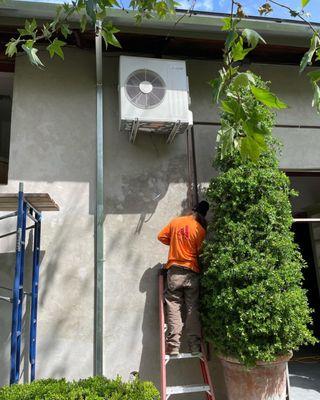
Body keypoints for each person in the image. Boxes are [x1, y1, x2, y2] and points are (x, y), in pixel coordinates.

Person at [157, 201, 209, 356]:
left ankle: (173, 346)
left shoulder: (176, 221)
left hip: (175, 271)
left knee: (174, 306)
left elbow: (161, 237)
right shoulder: (200, 230)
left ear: (192, 210)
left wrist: (174, 243)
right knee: (192, 308)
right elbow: (200, 251)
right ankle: (194, 346)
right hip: (192, 272)